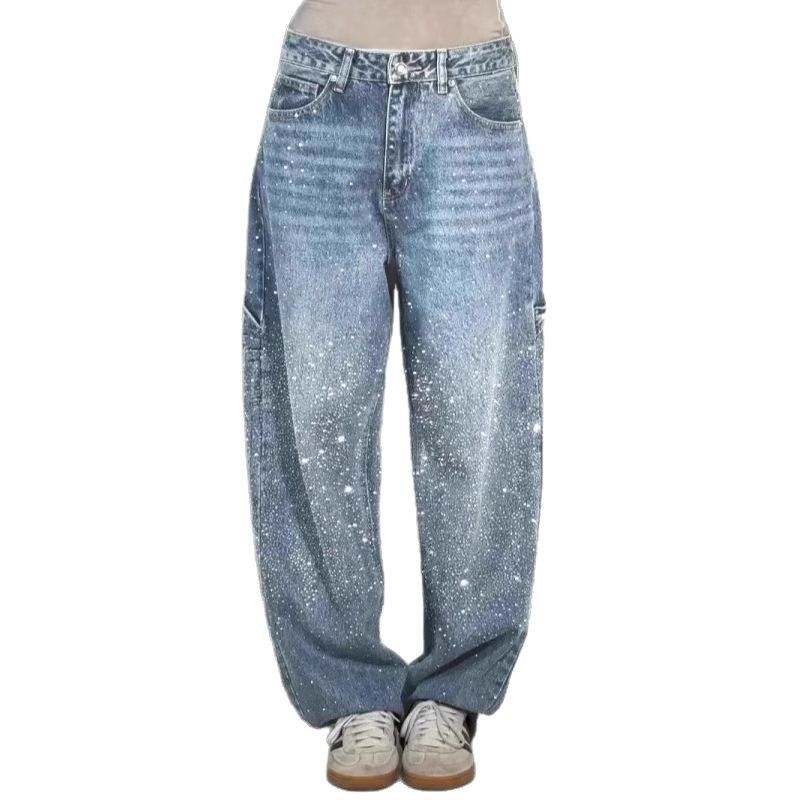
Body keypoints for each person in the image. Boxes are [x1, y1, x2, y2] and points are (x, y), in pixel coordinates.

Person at [241, 0, 545, 790]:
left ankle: (454, 688)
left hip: (469, 99)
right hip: (320, 95)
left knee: (476, 403)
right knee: (317, 407)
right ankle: (349, 690)